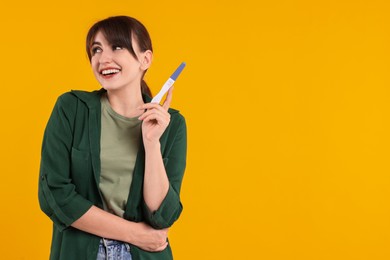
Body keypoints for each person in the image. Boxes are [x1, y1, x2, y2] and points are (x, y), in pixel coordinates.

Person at [38, 16, 187, 260]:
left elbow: (162, 216)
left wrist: (151, 144)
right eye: (96, 50)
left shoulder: (172, 124)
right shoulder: (71, 109)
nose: (103, 59)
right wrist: (133, 233)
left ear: (145, 58)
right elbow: (54, 195)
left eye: (117, 46)